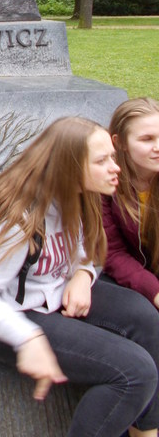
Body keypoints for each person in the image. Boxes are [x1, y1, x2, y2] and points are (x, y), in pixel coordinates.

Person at [0, 116, 159, 437]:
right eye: (102, 161)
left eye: (113, 157)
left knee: (147, 320)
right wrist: (28, 338)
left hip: (57, 291)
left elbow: (85, 248)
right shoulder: (17, 215)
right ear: (69, 167)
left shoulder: (81, 194)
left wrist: (82, 274)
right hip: (13, 315)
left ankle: (146, 431)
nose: (115, 168)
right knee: (135, 373)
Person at [102, 97, 159, 308]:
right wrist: (155, 292)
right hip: (136, 278)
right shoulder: (105, 183)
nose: (158, 147)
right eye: (147, 139)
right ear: (120, 143)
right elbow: (113, 253)